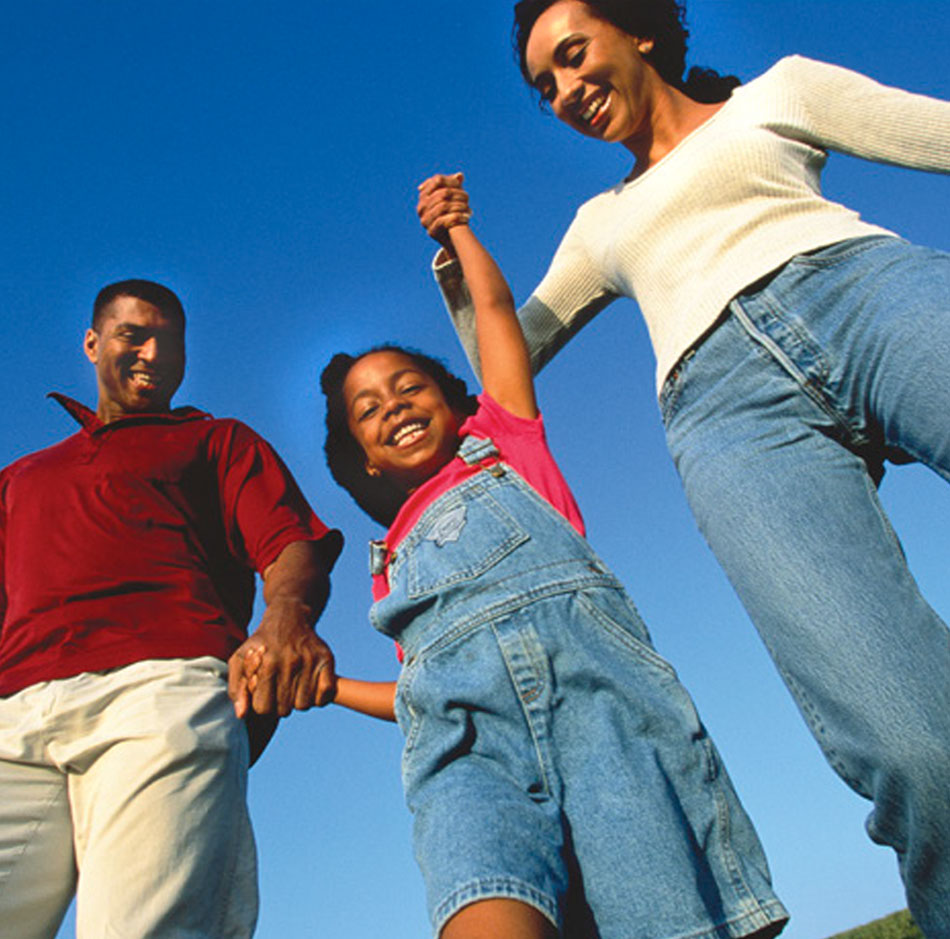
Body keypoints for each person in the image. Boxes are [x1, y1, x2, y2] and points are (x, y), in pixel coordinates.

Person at [415, 1, 950, 935]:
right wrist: (458, 269)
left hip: (859, 290)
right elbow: (508, 360)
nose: (566, 91)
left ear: (641, 31)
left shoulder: (781, 92)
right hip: (725, 410)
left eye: (574, 58)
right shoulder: (599, 222)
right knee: (916, 754)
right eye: (545, 88)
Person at [318, 213, 788, 939]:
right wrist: (332, 689)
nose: (395, 407)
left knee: (664, 913)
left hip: (600, 717)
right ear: (365, 458)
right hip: (470, 756)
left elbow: (499, 315)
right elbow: (421, 691)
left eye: (409, 387)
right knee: (482, 895)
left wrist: (460, 234)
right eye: (368, 410)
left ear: (454, 401)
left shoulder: (506, 445)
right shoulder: (388, 565)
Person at [0, 279, 342, 937]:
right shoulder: (21, 478)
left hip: (159, 692)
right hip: (14, 710)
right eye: (134, 335)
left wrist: (285, 618)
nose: (153, 354)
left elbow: (290, 542)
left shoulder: (216, 441)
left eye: (171, 342)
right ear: (93, 343)